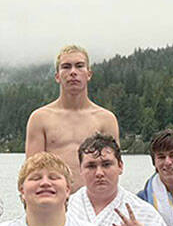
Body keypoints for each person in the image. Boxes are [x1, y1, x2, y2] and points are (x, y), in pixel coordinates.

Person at [24, 44, 120, 187]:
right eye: (66, 67)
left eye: (79, 66)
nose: (73, 72)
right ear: (57, 76)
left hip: (94, 201)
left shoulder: (105, 119)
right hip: (56, 201)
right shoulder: (40, 119)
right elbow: (32, 172)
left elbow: (113, 169)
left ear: (89, 74)